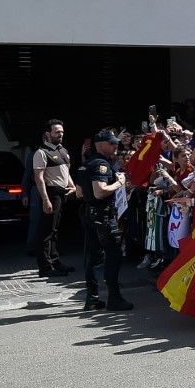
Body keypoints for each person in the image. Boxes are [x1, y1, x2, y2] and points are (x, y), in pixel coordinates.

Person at [79, 128, 133, 311]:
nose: (115, 145)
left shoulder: (87, 163)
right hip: (103, 215)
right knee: (113, 255)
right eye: (111, 143)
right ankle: (114, 299)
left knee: (93, 257)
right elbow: (100, 191)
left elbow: (79, 192)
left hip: (90, 213)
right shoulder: (100, 164)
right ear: (100, 145)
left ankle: (92, 298)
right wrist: (119, 183)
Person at [28, 119, 75, 278]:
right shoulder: (41, 153)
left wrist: (73, 186)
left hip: (63, 193)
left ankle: (55, 262)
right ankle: (45, 267)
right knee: (46, 231)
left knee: (54, 230)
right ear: (47, 134)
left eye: (62, 132)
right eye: (57, 132)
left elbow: (66, 172)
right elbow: (39, 178)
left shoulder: (63, 151)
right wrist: (46, 199)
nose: (60, 134)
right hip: (51, 193)